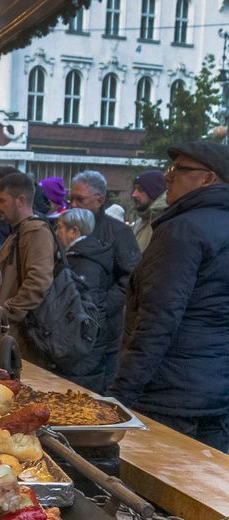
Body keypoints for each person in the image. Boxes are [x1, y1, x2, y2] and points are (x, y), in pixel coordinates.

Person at [110, 141, 229, 452]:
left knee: (150, 493)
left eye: (179, 169)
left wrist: (119, 396)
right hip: (215, 394)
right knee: (204, 492)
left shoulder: (183, 230)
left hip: (170, 395)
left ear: (208, 179)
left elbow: (158, 319)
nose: (168, 177)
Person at [68, 170, 141, 390]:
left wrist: (102, 307)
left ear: (99, 199)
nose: (72, 204)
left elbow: (133, 276)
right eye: (70, 198)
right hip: (71, 328)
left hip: (104, 331)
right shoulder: (68, 226)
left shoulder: (118, 232)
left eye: (79, 199)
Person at [0, 172, 55, 359]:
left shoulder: (36, 232)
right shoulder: (19, 232)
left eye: (2, 201)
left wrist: (7, 311)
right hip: (15, 333)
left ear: (20, 200)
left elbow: (38, 281)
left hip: (26, 337)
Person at [53, 208, 114, 392]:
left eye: (60, 228)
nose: (57, 233)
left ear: (75, 232)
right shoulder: (92, 254)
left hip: (83, 348)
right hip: (93, 346)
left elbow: (81, 310)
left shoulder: (82, 261)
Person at [130, 170, 167, 252]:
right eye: (134, 189)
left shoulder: (165, 223)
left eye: (139, 189)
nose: (134, 194)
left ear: (153, 192)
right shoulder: (140, 221)